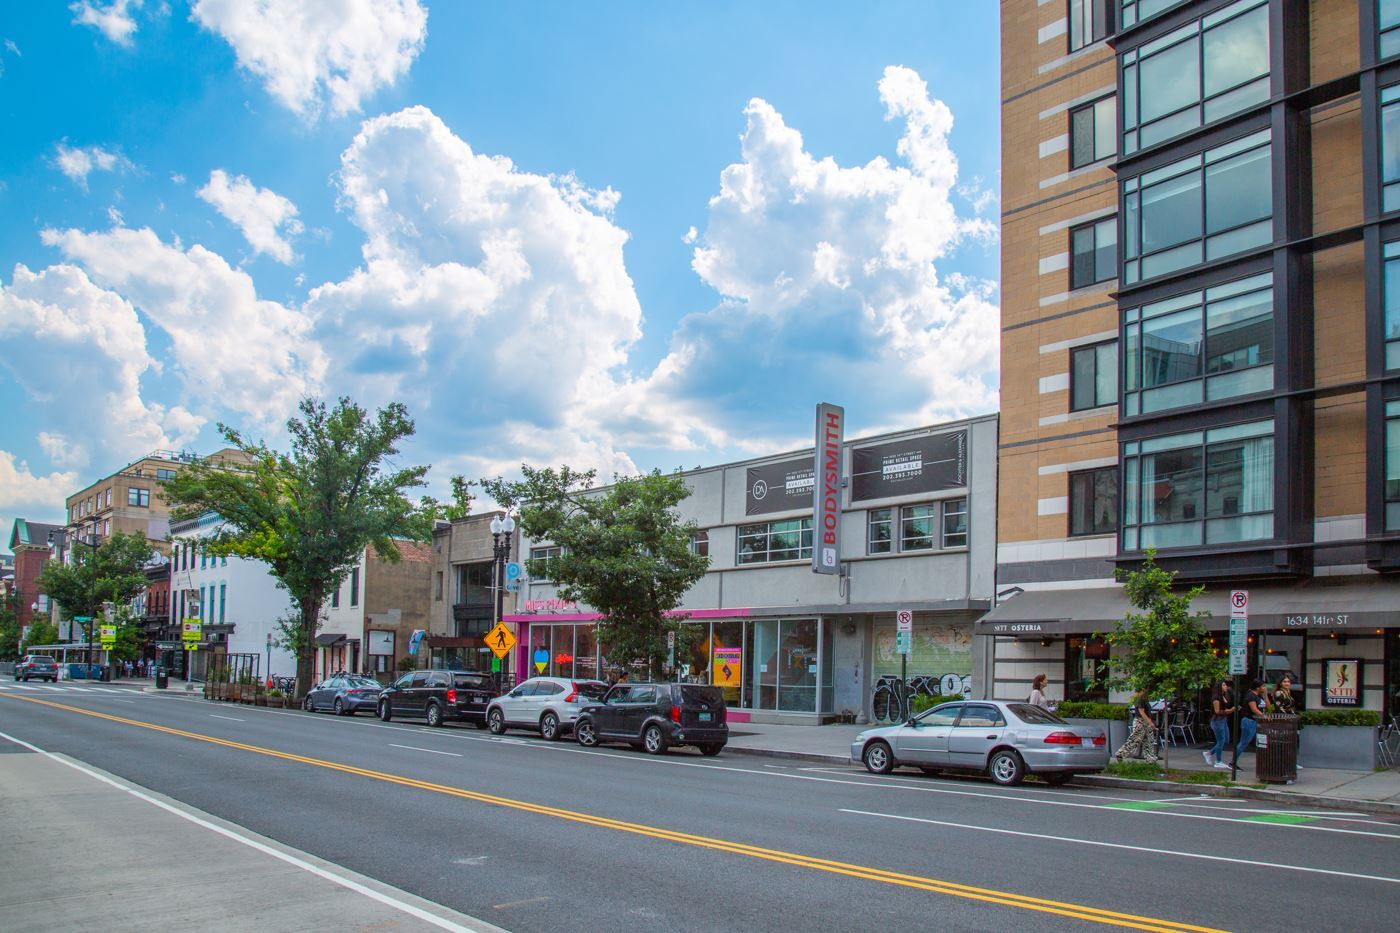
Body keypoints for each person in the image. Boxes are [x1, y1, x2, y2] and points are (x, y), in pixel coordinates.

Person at [1115, 690, 1159, 763]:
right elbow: (1142, 712)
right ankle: (1120, 753)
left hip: (1145, 722)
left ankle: (1150, 758)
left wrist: (1149, 722)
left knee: (1148, 740)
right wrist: (1150, 722)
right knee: (1135, 739)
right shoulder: (1141, 700)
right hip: (1140, 722)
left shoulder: (1144, 700)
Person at [1205, 680, 1235, 769]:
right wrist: (1230, 711)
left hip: (1223, 720)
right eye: (1223, 685)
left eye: (1225, 685)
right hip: (1217, 721)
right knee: (1221, 741)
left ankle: (1209, 753)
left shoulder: (1224, 696)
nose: (1226, 686)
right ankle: (1218, 761)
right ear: (1219, 687)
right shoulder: (1216, 698)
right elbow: (1217, 711)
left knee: (1226, 740)